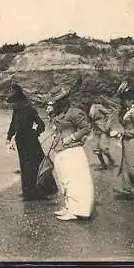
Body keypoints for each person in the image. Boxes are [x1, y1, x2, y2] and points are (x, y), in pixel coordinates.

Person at [50, 87, 94, 221]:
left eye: (61, 100)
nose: (59, 103)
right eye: (57, 101)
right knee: (64, 180)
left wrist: (73, 137)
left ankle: (77, 211)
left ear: (66, 99)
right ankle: (69, 207)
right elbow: (59, 126)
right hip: (60, 149)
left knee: (74, 180)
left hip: (72, 150)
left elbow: (87, 127)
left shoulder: (74, 112)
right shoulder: (59, 112)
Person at [6, 83, 56, 201]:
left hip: (24, 140)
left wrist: (9, 138)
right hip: (29, 140)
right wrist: (34, 133)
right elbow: (41, 125)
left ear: (17, 99)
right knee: (34, 165)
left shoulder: (22, 108)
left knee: (27, 166)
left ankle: (30, 192)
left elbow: (14, 125)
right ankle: (34, 192)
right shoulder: (27, 108)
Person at [88, 100, 117, 170]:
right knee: (96, 148)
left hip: (103, 128)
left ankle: (111, 161)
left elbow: (109, 114)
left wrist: (107, 125)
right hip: (95, 129)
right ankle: (103, 164)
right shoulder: (86, 109)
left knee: (104, 147)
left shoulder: (98, 106)